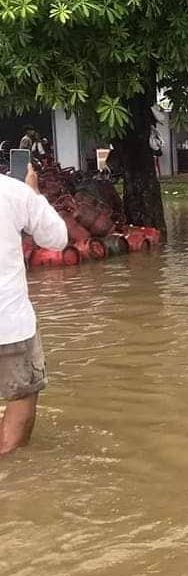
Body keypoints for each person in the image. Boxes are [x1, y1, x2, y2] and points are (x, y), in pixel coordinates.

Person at [0, 165, 67, 455]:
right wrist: (34, 193)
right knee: (21, 399)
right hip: (9, 324)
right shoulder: (13, 192)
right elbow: (56, 239)